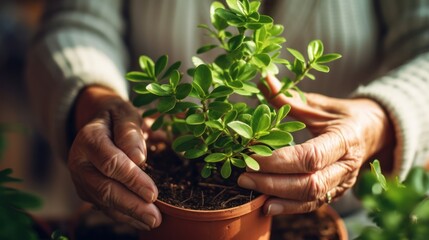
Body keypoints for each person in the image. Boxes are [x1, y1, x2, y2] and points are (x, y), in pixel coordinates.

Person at [26, 0, 429, 232]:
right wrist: (91, 99)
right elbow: (75, 19)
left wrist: (376, 121)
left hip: (336, 217)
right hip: (132, 202)